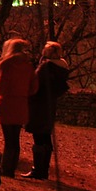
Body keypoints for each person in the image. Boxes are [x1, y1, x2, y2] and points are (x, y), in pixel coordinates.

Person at [23, 41, 70, 180]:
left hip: (38, 105)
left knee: (39, 137)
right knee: (45, 137)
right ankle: (43, 169)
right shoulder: (61, 69)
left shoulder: (46, 67)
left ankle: (38, 169)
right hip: (50, 105)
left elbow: (35, 84)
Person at [0, 38, 36, 177]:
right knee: (15, 139)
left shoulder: (6, 65)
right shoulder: (28, 66)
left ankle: (5, 169)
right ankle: (10, 168)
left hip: (6, 104)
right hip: (21, 105)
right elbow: (34, 88)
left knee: (8, 139)